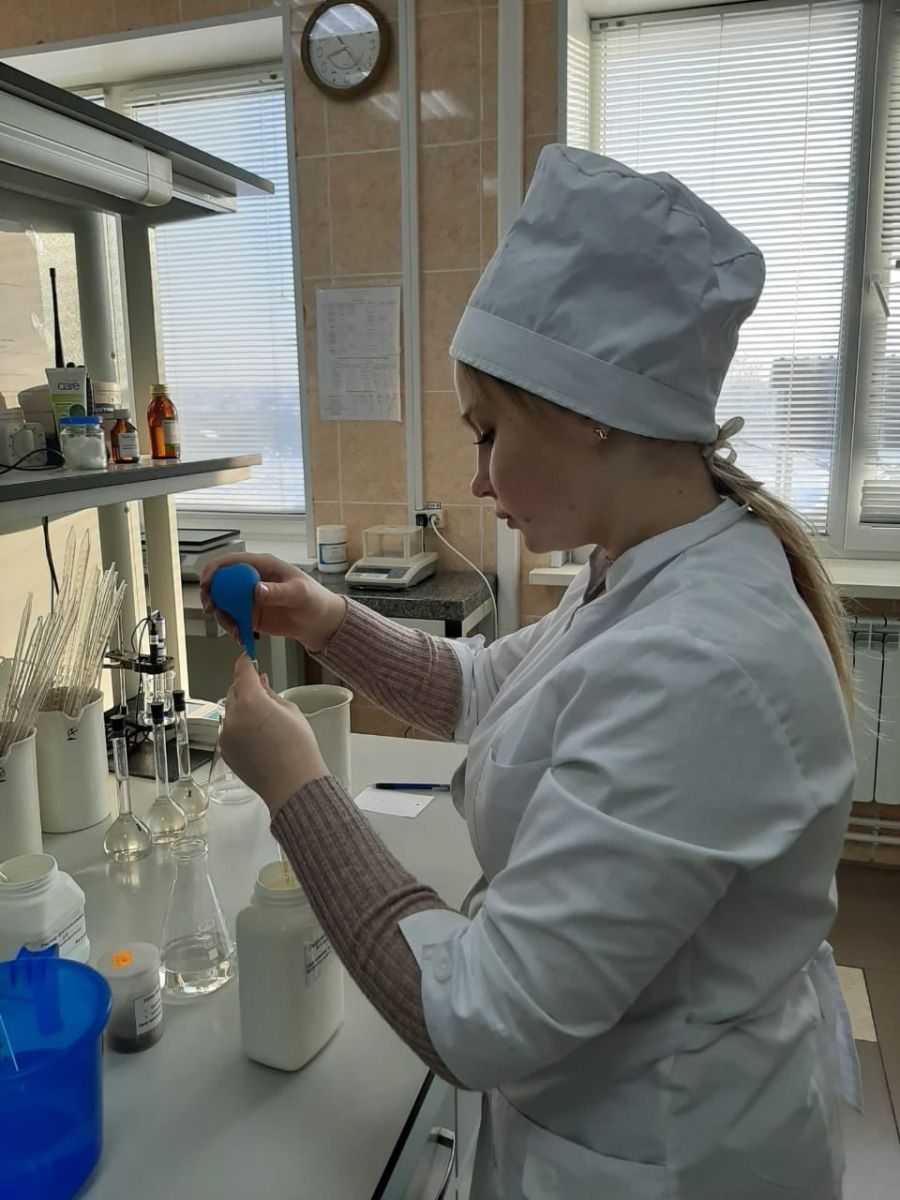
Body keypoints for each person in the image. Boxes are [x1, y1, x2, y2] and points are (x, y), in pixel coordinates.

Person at [202, 146, 859, 1200]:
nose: (476, 478)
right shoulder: (643, 570)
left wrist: (297, 789)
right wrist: (325, 620)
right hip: (595, 1102)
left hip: (666, 1153)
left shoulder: (703, 660)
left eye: (488, 432)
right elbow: (486, 688)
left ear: (587, 408)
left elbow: (477, 1017)